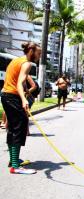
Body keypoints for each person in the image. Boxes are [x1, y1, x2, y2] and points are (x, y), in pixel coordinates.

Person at [1, 41, 41, 174]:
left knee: (13, 128)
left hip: (6, 95)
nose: (39, 56)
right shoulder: (27, 63)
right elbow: (19, 83)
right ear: (31, 51)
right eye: (38, 53)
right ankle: (16, 167)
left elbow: (14, 80)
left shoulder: (16, 60)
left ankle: (13, 161)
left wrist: (24, 93)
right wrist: (24, 100)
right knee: (19, 127)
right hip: (12, 97)